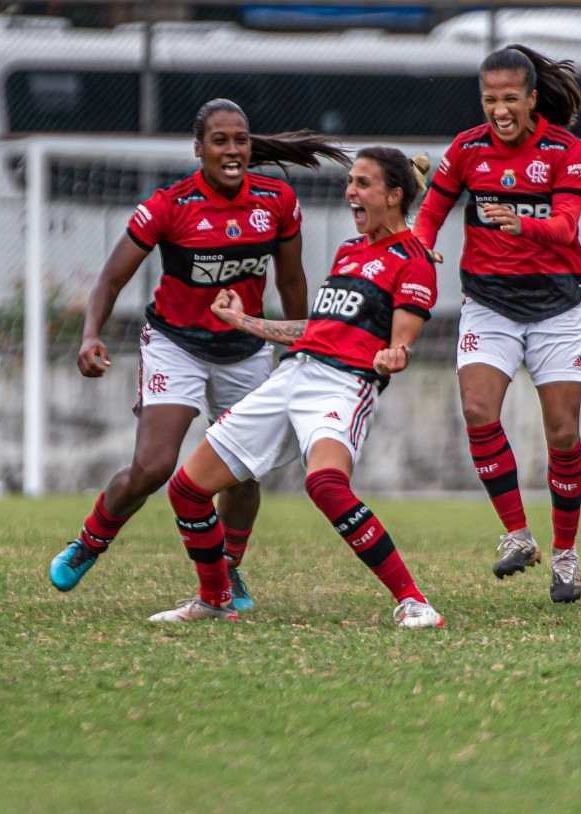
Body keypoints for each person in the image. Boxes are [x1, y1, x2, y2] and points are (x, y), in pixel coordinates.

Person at [48, 98, 348, 613]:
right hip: (177, 346)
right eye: (220, 141)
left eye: (241, 140)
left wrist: (299, 347)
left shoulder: (276, 201)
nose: (233, 151)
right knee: (153, 466)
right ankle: (88, 543)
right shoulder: (170, 205)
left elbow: (292, 280)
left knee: (243, 472)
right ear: (199, 149)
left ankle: (228, 570)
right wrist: (89, 335)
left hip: (246, 349)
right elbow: (111, 277)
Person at [146, 146, 444, 628]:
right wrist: (245, 321)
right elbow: (316, 328)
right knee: (187, 489)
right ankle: (215, 598)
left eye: (363, 183)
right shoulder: (350, 252)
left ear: (393, 196)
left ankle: (414, 601)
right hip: (294, 374)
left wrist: (394, 355)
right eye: (351, 181)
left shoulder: (414, 260)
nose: (351, 191)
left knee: (325, 483)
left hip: (343, 385)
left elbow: (401, 342)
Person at [413, 44, 581, 603]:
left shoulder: (565, 150)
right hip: (488, 302)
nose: (500, 110)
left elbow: (564, 227)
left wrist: (521, 226)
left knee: (562, 434)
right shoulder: (466, 149)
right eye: (490, 99)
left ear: (533, 98)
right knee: (477, 409)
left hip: (558, 305)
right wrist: (418, 249)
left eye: (510, 98)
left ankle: (565, 554)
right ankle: (517, 535)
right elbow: (431, 212)